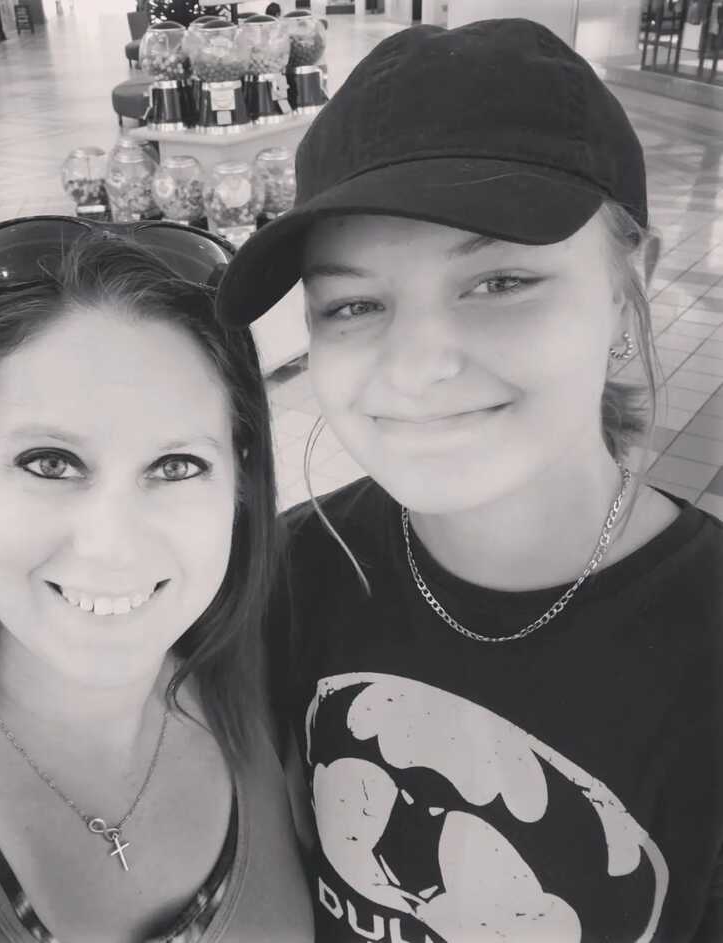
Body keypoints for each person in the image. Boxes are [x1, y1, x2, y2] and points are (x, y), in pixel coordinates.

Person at [216, 20, 723, 943]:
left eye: (499, 282)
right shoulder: (290, 573)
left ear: (626, 288)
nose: (417, 368)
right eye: (354, 304)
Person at [0, 218, 314, 943]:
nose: (111, 545)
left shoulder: (274, 687)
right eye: (51, 462)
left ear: (240, 477)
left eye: (176, 465)